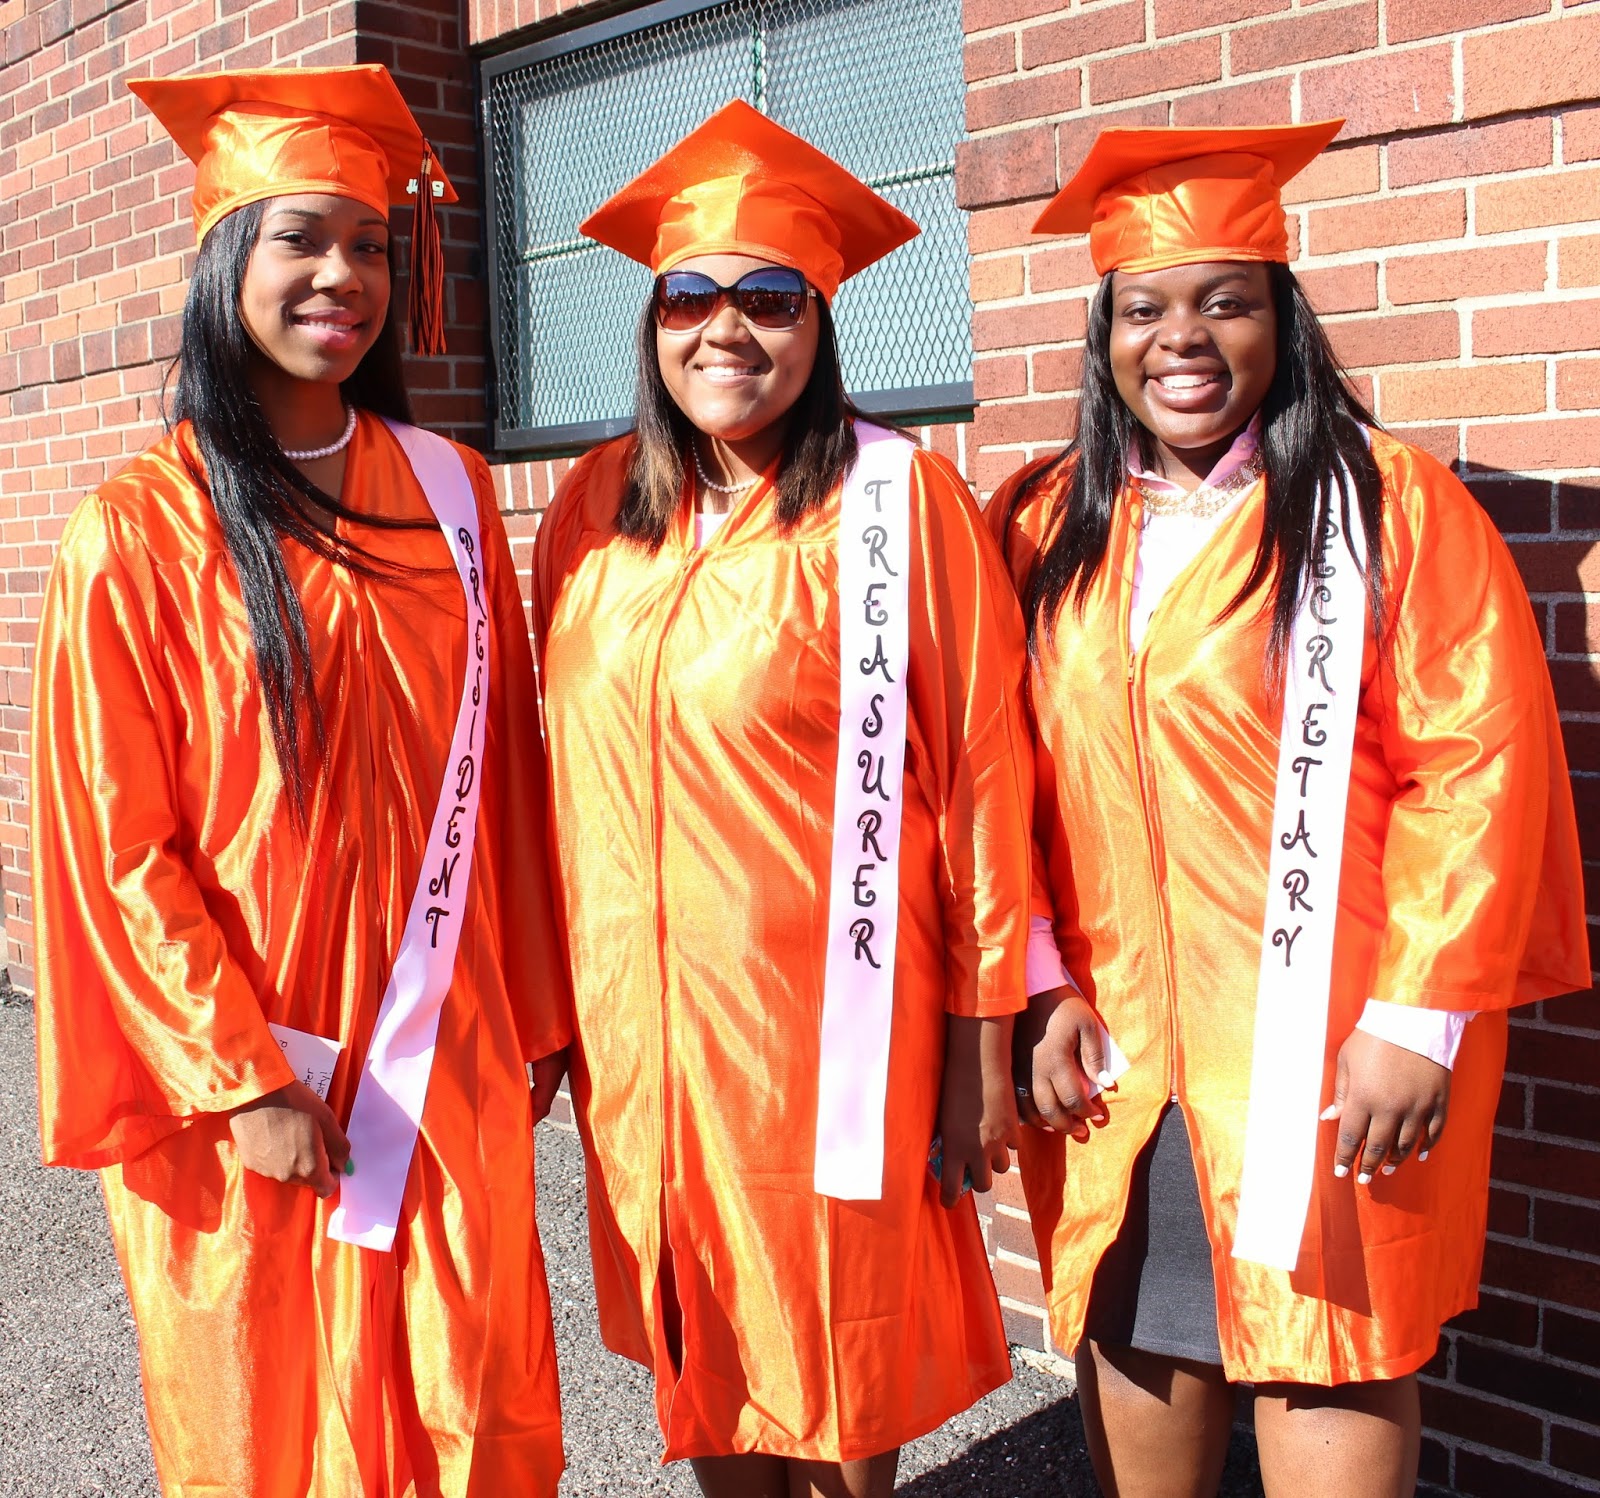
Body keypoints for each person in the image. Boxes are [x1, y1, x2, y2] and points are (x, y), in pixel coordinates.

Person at [987, 122, 1590, 1498]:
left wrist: (1415, 1016)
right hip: (1120, 1038)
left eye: (1224, 300)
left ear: (1280, 316)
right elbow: (982, 772)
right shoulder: (1042, 527)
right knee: (1145, 1324)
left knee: (1328, 1337)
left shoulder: (1387, 510)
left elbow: (1477, 762)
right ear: (1105, 331)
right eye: (1145, 307)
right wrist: (1030, 976)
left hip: (1329, 1034)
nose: (1182, 339)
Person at [31, 66, 569, 1497]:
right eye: (302, 238)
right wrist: (240, 1077)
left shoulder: (452, 491)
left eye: (372, 245)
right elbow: (115, 847)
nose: (344, 275)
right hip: (257, 1075)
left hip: (443, 1044)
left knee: (468, 1401)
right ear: (225, 261)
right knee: (271, 1422)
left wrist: (539, 1012)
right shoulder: (137, 529)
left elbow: (507, 775)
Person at [532, 100, 1032, 1498]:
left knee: (835, 1356)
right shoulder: (588, 509)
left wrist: (980, 1045)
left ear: (821, 323)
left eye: (771, 297)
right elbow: (547, 768)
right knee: (702, 1354)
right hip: (645, 1034)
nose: (727, 330)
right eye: (691, 295)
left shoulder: (895, 504)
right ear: (651, 323)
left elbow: (986, 773)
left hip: (827, 1029)